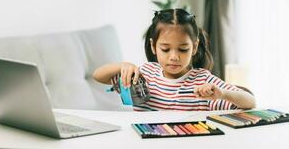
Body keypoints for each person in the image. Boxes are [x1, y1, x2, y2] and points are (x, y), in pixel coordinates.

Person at [93, 9, 256, 111]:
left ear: (194, 46)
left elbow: (250, 102)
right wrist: (123, 66)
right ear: (153, 46)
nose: (174, 56)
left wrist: (223, 94)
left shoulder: (203, 80)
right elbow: (98, 75)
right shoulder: (144, 74)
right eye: (165, 49)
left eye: (183, 49)